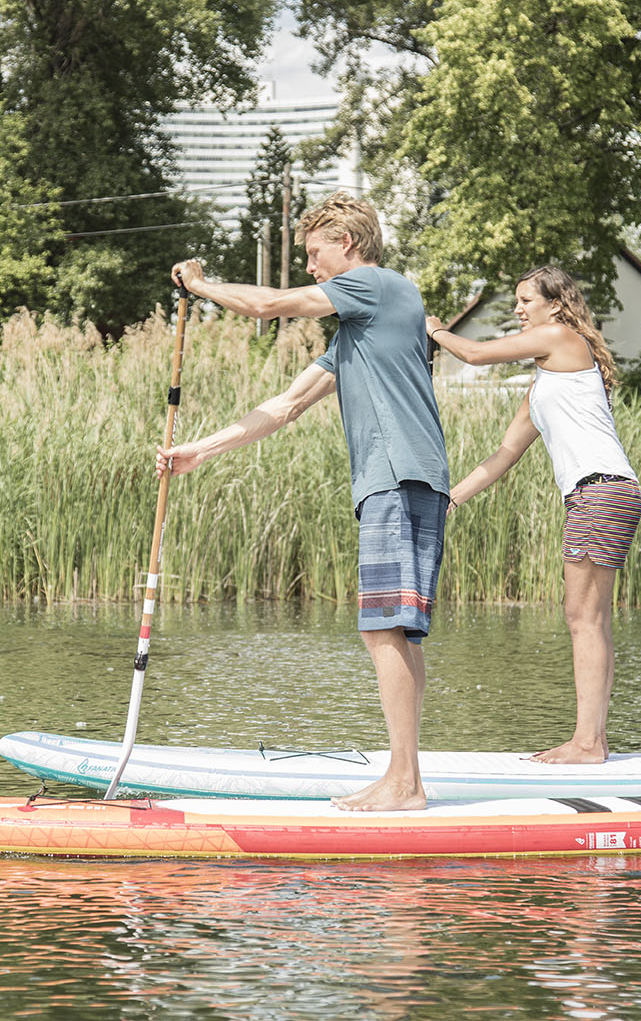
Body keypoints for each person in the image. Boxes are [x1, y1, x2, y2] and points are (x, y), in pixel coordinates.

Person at [162, 192, 451, 811]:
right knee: (395, 632)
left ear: (346, 244)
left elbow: (268, 305)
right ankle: (406, 777)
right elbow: (285, 405)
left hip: (397, 476)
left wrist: (204, 286)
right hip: (399, 479)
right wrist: (201, 450)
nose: (312, 267)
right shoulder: (359, 331)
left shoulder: (377, 286)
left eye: (315, 253)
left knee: (385, 631)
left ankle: (406, 784)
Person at [425, 265, 641, 764]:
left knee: (582, 620)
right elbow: (504, 453)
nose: (518, 309)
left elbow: (474, 353)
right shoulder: (545, 384)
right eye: (517, 301)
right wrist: (450, 499)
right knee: (593, 620)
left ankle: (586, 743)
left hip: (598, 493)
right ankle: (595, 740)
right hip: (609, 492)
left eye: (526, 300)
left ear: (556, 304)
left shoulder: (562, 337)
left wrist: (433, 326)